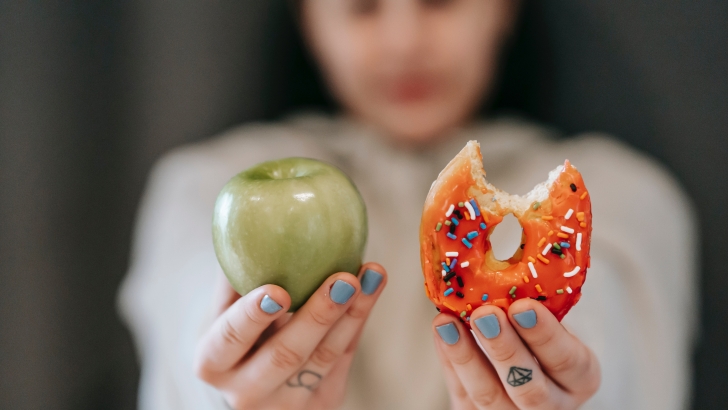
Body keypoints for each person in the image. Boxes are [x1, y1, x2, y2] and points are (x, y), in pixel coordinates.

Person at [118, 0, 697, 409]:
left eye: (440, 1)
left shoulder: (625, 192)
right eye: (362, 7)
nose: (405, 42)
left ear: (504, 8)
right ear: (308, 18)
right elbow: (188, 316)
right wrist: (225, 387)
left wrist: (569, 393)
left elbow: (615, 342)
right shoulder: (200, 186)